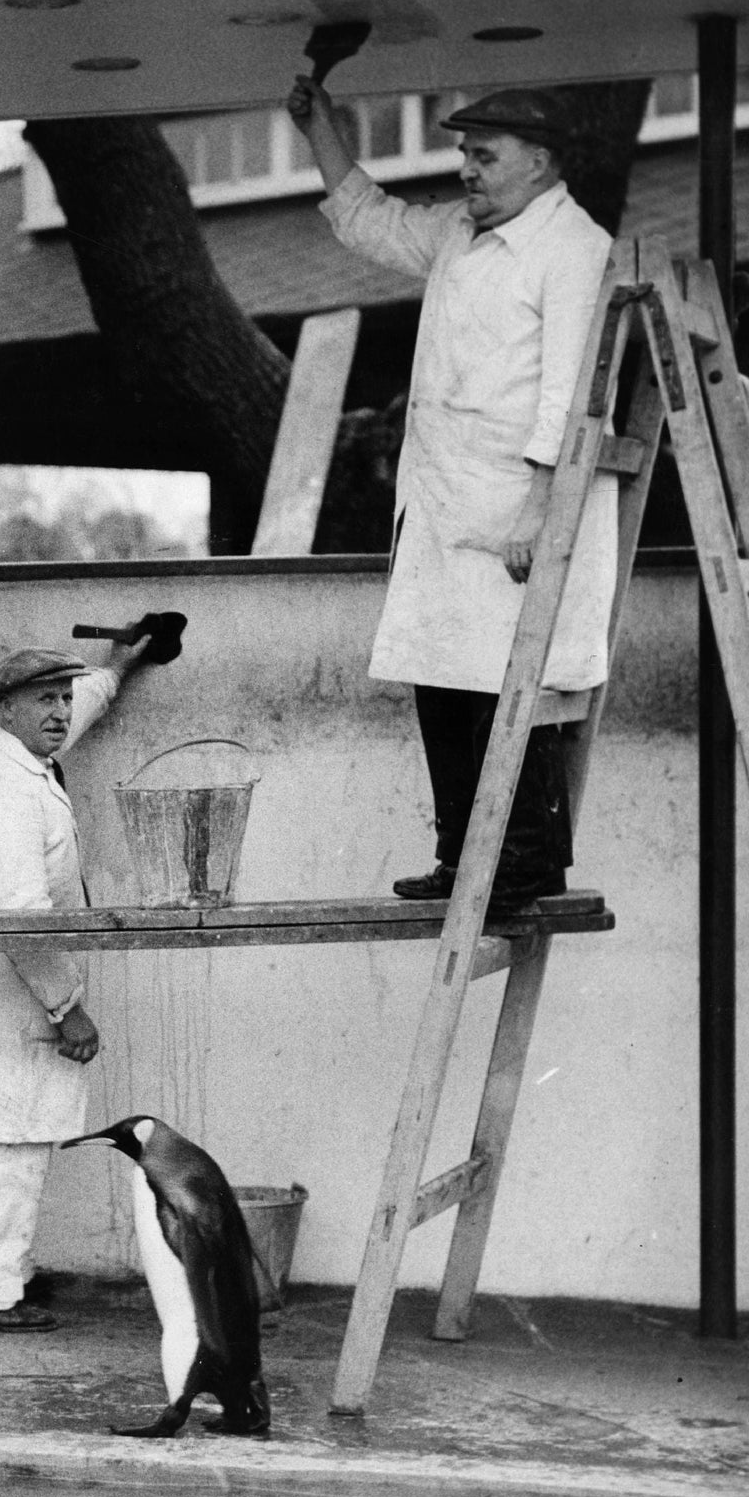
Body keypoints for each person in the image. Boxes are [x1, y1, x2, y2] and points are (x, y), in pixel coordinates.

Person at [287, 77, 615, 910]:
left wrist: (542, 512)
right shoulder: (459, 236)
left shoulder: (572, 247)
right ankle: (458, 856)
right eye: (463, 153)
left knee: (516, 689)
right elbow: (368, 219)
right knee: (444, 680)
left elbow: (574, 391)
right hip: (444, 503)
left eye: (484, 154)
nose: (466, 168)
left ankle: (528, 865)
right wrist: (316, 123)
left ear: (539, 162)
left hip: (516, 509)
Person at [0, 642, 150, 1332]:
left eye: (63, 697)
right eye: (43, 699)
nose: (59, 712)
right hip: (10, 983)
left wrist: (122, 661)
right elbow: (20, 914)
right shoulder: (3, 788)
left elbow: (83, 705)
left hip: (2, 984)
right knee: (4, 1140)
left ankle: (4, 1273)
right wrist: (66, 1005)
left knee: (16, 1135)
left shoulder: (24, 757)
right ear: (7, 707)